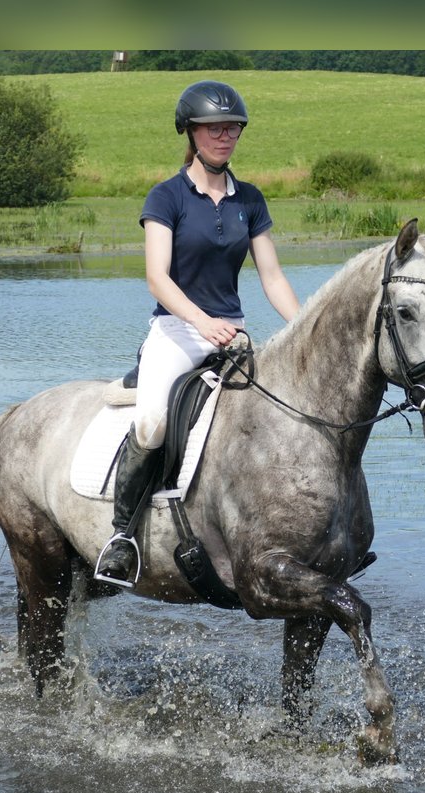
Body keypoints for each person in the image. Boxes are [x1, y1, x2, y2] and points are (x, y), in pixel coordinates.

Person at [98, 80, 301, 584]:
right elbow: (157, 278)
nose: (224, 135)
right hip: (177, 331)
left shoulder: (248, 200)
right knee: (152, 423)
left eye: (232, 127)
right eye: (214, 128)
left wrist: (301, 329)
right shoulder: (167, 197)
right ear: (191, 132)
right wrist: (201, 322)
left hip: (234, 335)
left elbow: (272, 276)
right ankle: (122, 536)